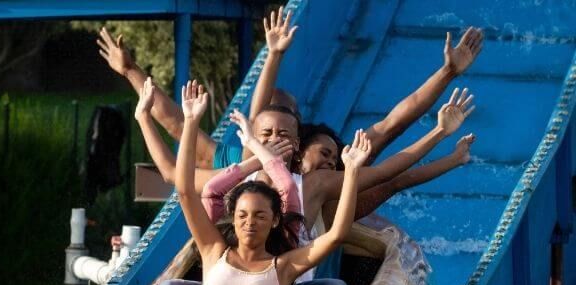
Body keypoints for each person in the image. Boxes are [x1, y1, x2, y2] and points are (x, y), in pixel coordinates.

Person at [96, 6, 483, 170]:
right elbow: (176, 126)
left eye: (284, 128)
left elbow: (396, 120)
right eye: (265, 130)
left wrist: (447, 73)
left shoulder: (326, 162)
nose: (274, 137)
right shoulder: (236, 161)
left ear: (298, 138)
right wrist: (130, 70)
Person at [135, 79, 372, 285]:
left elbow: (335, 234)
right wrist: (191, 122)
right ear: (233, 219)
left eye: (260, 215)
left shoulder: (283, 266)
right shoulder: (213, 250)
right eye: (242, 215)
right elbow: (186, 190)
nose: (250, 222)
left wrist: (351, 171)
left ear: (275, 221)